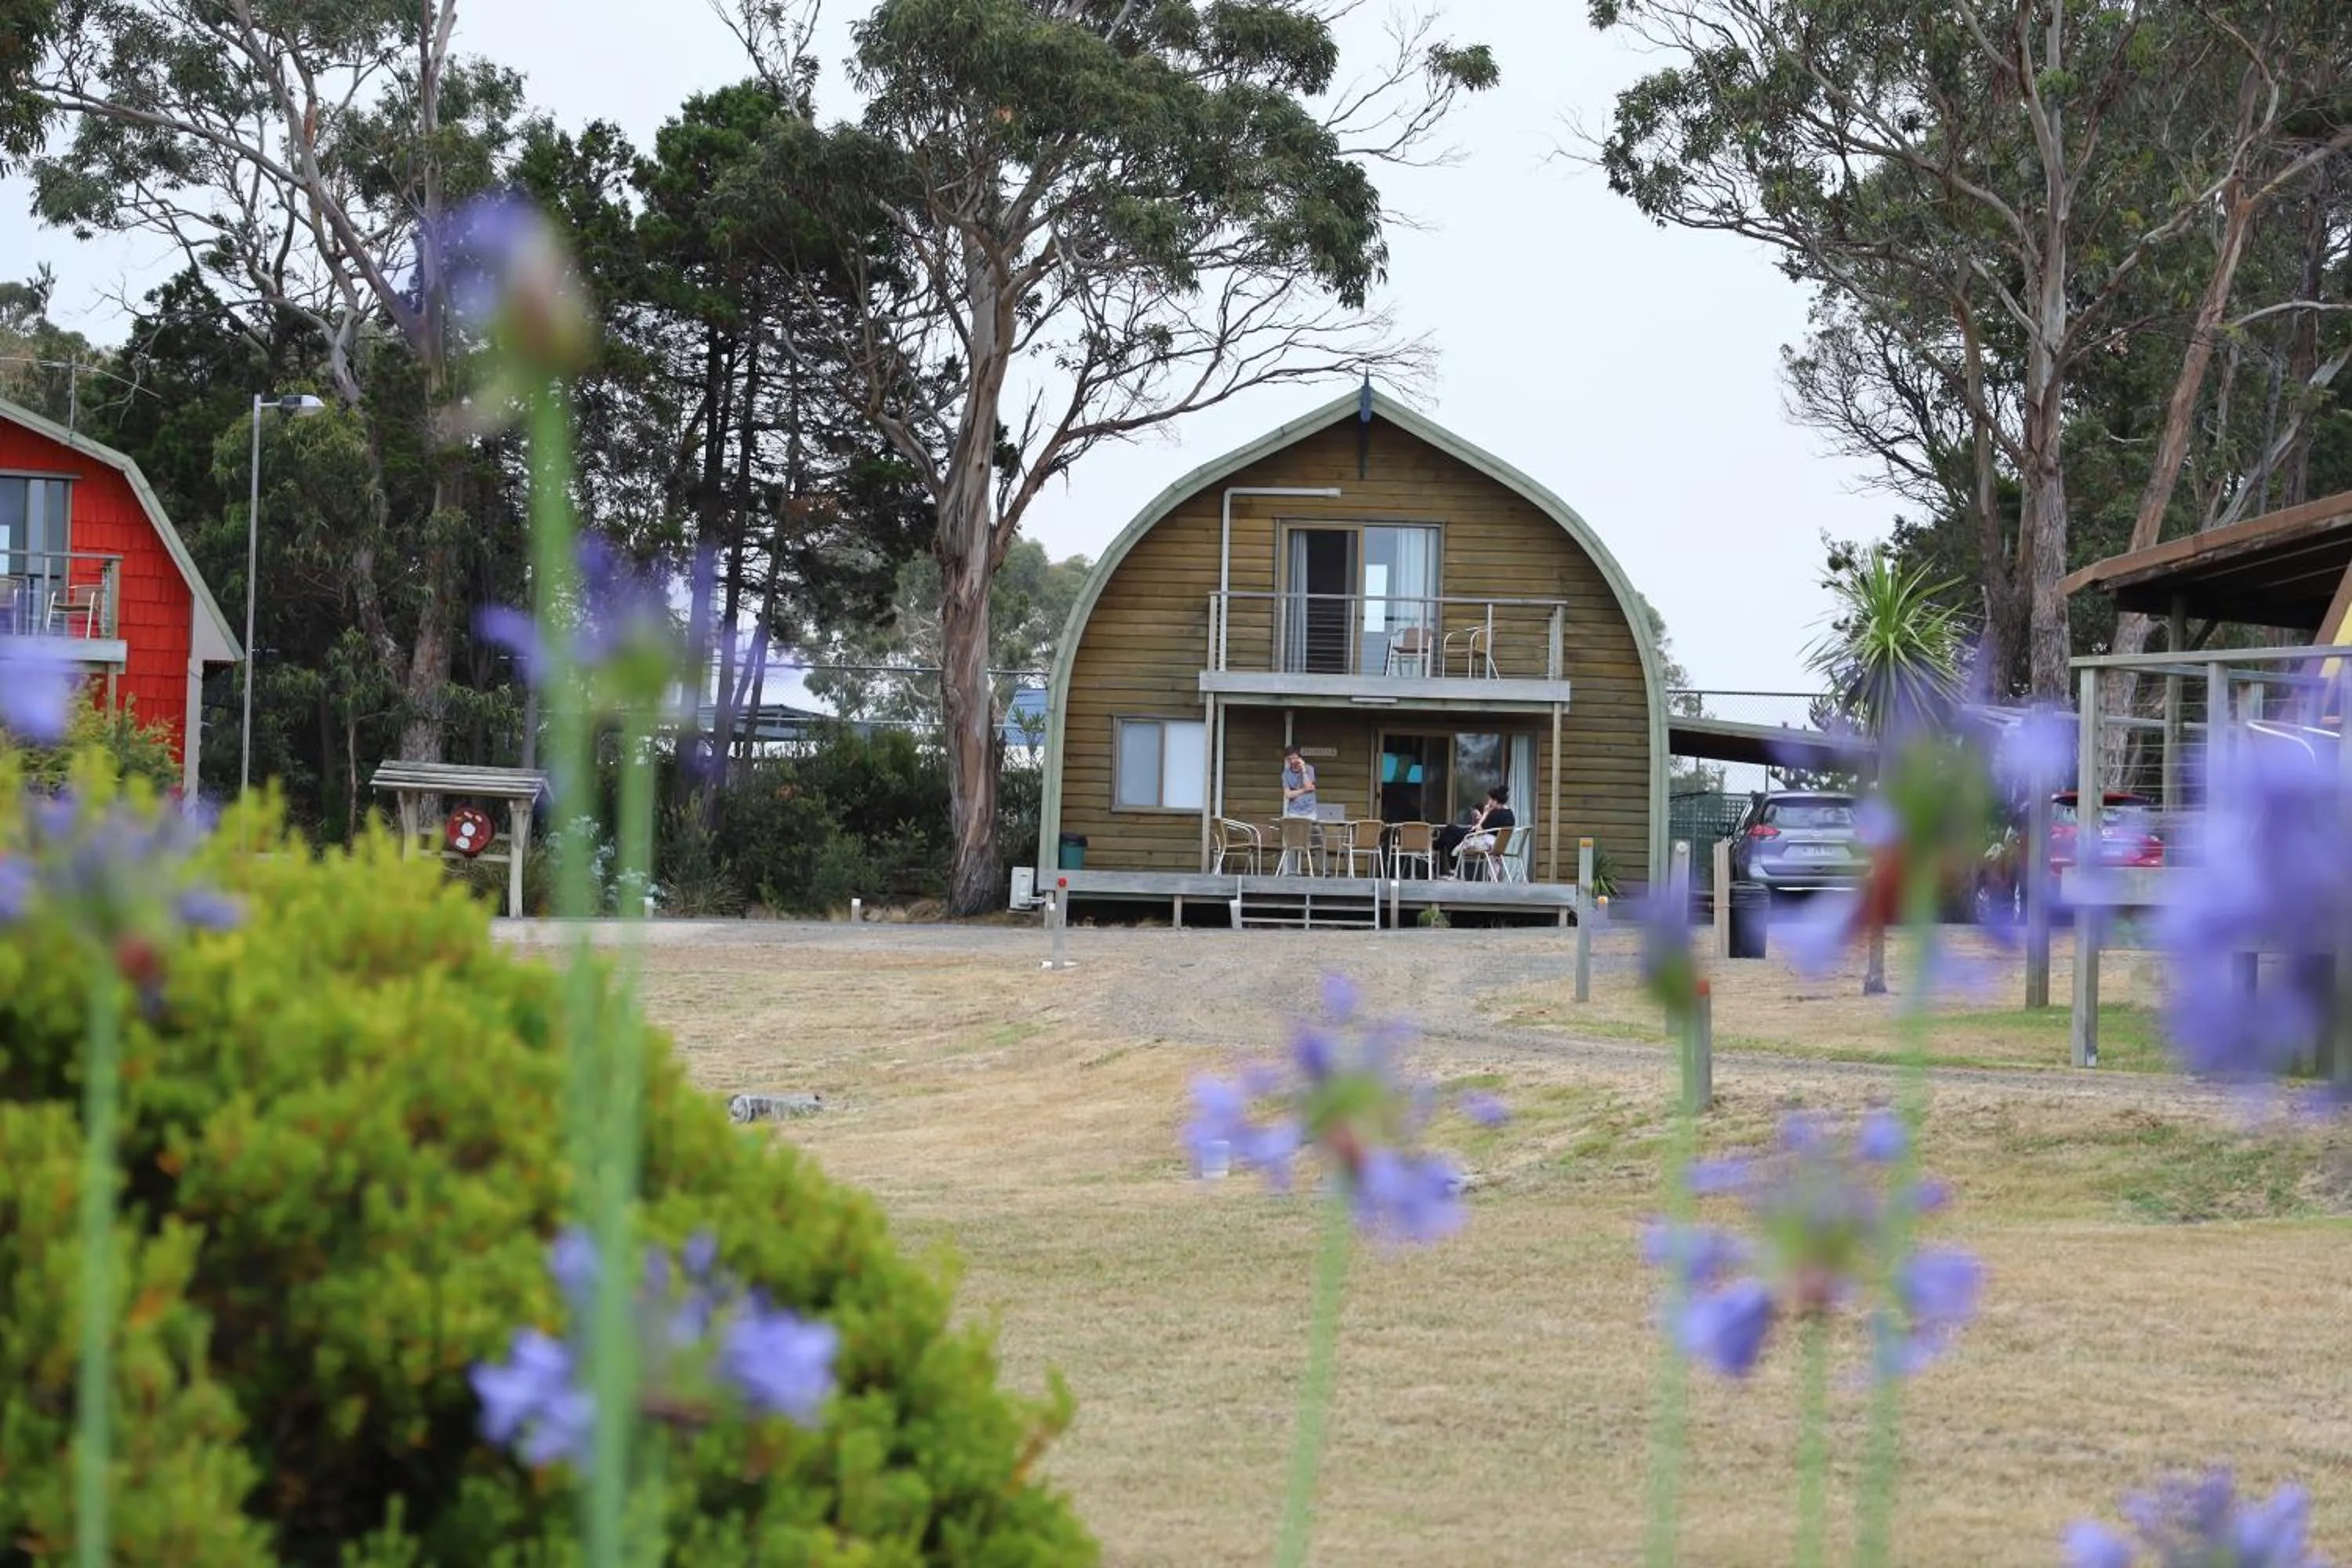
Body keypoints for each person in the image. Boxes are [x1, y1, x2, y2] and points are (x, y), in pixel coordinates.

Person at [1436, 786, 1514, 877]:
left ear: (1495, 801)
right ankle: (1450, 866)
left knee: (1450, 830)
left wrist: (1486, 812)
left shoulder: (1495, 814)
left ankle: (1436, 848)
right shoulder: (1510, 814)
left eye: (1490, 800)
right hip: (1493, 843)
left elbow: (1478, 829)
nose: (1489, 802)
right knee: (1450, 835)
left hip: (1480, 840)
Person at [1279, 745, 1319, 818]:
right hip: (1293, 812)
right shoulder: (1285, 774)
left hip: (1310, 812)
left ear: (1299, 757)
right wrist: (1304, 790)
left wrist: (1303, 770)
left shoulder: (1309, 769)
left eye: (1294, 758)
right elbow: (1288, 794)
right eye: (1289, 759)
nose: (1292, 761)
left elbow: (1308, 786)